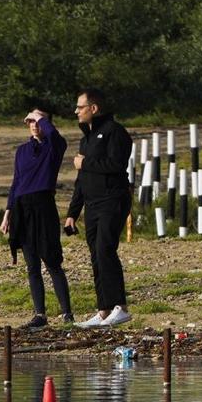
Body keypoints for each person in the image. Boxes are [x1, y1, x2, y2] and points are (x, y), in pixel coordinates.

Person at [65, 87, 133, 327]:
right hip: (92, 204)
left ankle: (120, 307)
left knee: (105, 249)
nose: (76, 111)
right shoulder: (87, 139)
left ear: (93, 108)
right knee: (96, 254)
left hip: (112, 200)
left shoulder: (115, 132)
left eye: (80, 107)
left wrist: (86, 162)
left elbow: (116, 164)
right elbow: (81, 180)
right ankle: (104, 310)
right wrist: (73, 213)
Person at [4, 104, 73, 328]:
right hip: (22, 208)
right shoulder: (22, 151)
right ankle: (40, 315)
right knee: (31, 264)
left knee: (52, 261)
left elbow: (53, 134)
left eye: (38, 121)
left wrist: (39, 117)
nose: (34, 125)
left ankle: (66, 314)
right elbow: (16, 182)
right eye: (30, 121)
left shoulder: (54, 146)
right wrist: (8, 212)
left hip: (43, 206)